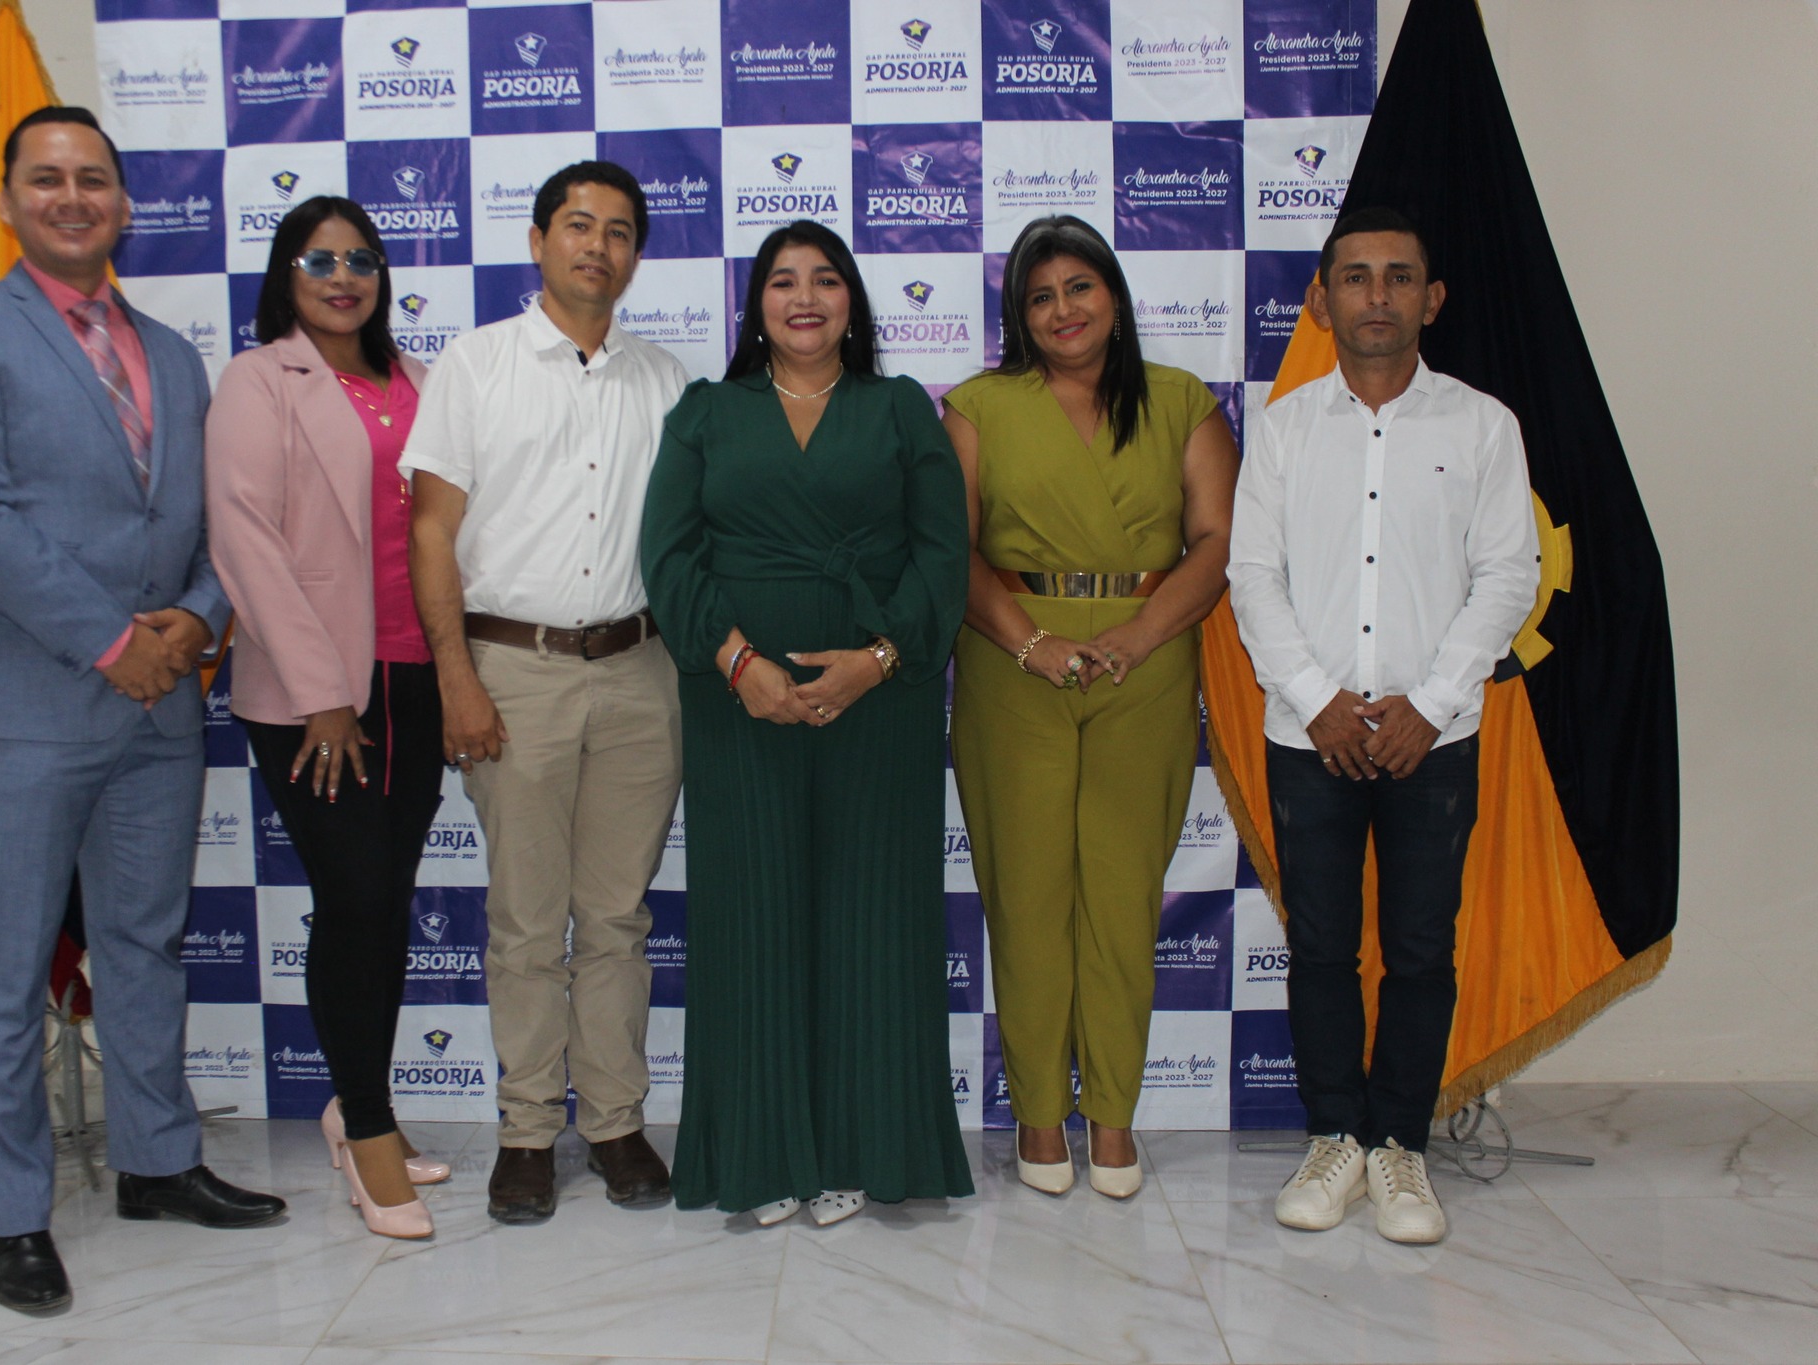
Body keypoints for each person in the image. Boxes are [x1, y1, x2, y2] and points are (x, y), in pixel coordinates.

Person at [0, 106, 284, 1314]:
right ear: (8, 200)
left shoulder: (172, 355)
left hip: (158, 709)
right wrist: (116, 643)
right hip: (23, 708)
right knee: (5, 971)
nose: (73, 197)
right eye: (48, 178)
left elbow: (222, 521)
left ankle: (157, 1162)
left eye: (95, 179)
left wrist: (196, 624)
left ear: (123, 203)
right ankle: (13, 1215)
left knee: (142, 945)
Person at [640, 220, 975, 1227]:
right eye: (782, 281)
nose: (804, 297)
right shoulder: (706, 412)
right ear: (756, 305)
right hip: (738, 703)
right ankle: (759, 1155)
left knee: (872, 926)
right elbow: (667, 553)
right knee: (752, 923)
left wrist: (878, 660)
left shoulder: (899, 408)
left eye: (825, 279)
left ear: (850, 301)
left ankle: (865, 1153)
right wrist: (739, 663)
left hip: (883, 706)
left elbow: (943, 554)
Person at [1229, 207, 1538, 1245]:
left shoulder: (1483, 426)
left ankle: (1399, 1145)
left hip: (1431, 739)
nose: (1376, 295)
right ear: (1322, 300)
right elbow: (1251, 577)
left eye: (1398, 277)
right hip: (1307, 733)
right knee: (1320, 946)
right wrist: (1317, 699)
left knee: (1418, 947)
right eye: (1355, 277)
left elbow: (1508, 575)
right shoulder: (1282, 430)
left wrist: (1431, 703)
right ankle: (1334, 1139)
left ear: (1430, 299)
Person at [403, 161, 689, 1224]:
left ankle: (614, 1122)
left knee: (615, 917)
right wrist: (456, 679)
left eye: (618, 231)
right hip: (510, 672)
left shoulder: (666, 381)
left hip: (640, 671)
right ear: (537, 241)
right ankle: (526, 1130)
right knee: (526, 922)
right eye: (577, 225)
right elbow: (430, 531)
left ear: (635, 256)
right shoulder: (474, 365)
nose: (596, 246)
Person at [944, 215, 1239, 1200]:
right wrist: (1030, 642)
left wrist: (1139, 635)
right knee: (1026, 899)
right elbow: (953, 549)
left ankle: (1112, 1116)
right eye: (1040, 296)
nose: (1062, 309)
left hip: (1142, 669)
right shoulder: (978, 407)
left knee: (1119, 900)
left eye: (1079, 287)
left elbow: (1215, 542)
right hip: (1012, 665)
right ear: (1018, 316)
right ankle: (1038, 1115)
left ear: (1113, 296)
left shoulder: (1180, 400)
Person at [205, 197, 450, 1240]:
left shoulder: (420, 380)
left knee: (385, 904)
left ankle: (357, 1104)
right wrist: (322, 697)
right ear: (286, 274)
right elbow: (244, 539)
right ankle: (371, 1132)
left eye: (361, 259)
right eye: (319, 260)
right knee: (352, 899)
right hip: (318, 700)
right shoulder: (259, 380)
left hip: (416, 680)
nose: (343, 276)